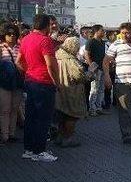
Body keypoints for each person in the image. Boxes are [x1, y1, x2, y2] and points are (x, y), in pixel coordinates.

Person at [15, 14, 60, 162]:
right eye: (51, 25)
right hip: (44, 83)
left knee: (31, 117)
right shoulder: (45, 40)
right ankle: (40, 151)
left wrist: (29, 70)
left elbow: (18, 61)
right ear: (47, 25)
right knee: (43, 118)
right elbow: (50, 64)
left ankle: (28, 150)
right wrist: (56, 82)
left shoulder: (26, 39)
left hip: (30, 82)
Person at [54, 37, 93, 147]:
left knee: (61, 114)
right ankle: (68, 138)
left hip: (58, 89)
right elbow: (79, 77)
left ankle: (60, 137)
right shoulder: (70, 59)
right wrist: (90, 72)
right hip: (71, 91)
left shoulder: (56, 55)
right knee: (71, 116)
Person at [0, 23, 23, 145]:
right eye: (9, 34)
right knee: (5, 109)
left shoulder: (21, 46)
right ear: (4, 35)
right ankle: (5, 136)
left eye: (14, 34)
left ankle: (12, 134)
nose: (12, 36)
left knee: (14, 109)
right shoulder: (1, 47)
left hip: (18, 82)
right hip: (4, 83)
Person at [84, 24, 108, 116]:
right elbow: (86, 54)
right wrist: (92, 67)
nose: (103, 32)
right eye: (102, 30)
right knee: (94, 89)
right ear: (96, 31)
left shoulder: (102, 42)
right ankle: (92, 109)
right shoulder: (90, 42)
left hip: (102, 69)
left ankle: (98, 107)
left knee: (101, 89)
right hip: (95, 69)